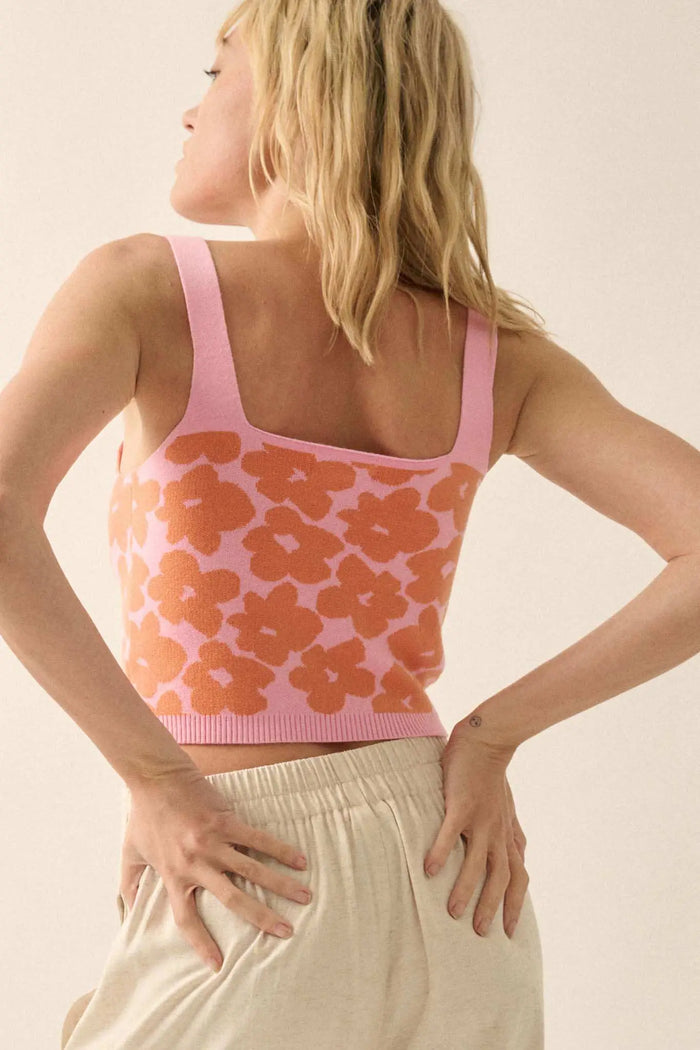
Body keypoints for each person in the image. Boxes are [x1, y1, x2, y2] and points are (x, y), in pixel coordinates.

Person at [0, 3, 697, 1049]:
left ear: (299, 99)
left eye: (216, 72)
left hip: (251, 875)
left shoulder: (149, 291)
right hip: (452, 877)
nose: (190, 110)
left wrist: (156, 776)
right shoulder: (495, 359)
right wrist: (492, 736)